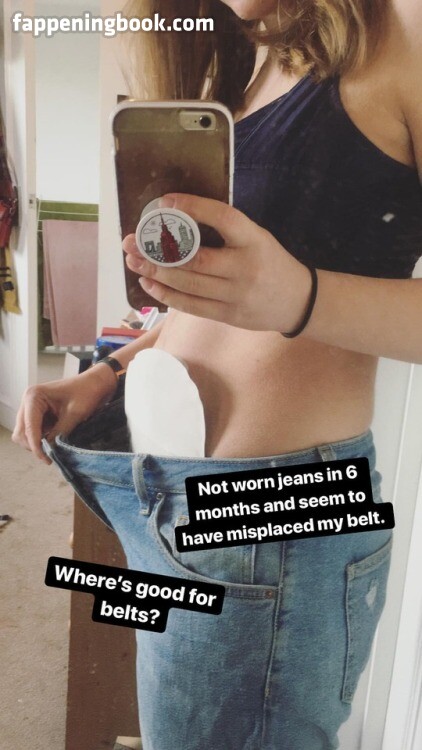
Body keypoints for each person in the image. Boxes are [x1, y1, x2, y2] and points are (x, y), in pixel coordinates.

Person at [12, 1, 422, 748]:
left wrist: (300, 296)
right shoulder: (248, 61)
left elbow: (275, 297)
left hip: (272, 517)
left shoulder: (405, 30)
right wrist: (106, 375)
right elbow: (213, 302)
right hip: (165, 492)